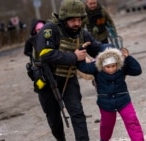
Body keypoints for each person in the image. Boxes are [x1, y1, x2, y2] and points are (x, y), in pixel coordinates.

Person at [35, 0, 107, 141]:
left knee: (77, 113)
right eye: (73, 20)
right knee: (54, 119)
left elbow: (97, 47)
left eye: (79, 20)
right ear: (64, 19)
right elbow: (45, 54)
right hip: (46, 80)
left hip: (69, 79)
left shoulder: (81, 33)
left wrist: (113, 52)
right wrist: (73, 56)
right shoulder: (50, 29)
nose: (77, 24)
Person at [78, 47, 144, 141]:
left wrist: (128, 58)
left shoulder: (122, 67)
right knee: (106, 126)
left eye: (113, 66)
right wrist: (80, 57)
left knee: (132, 121)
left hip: (123, 100)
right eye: (107, 67)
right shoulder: (96, 67)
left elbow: (137, 70)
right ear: (102, 66)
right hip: (105, 103)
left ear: (117, 64)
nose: (111, 69)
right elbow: (83, 67)